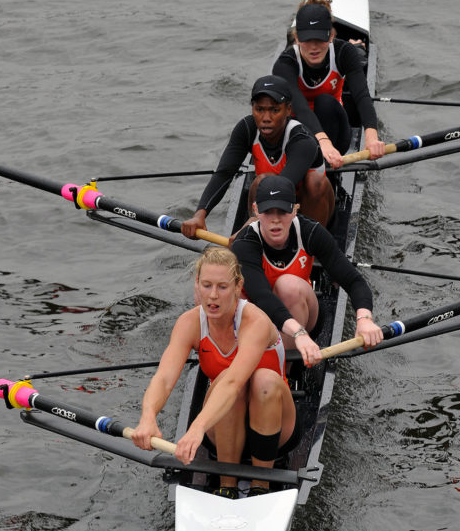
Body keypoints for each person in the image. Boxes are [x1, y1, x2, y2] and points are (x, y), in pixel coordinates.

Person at [130, 247, 308, 498]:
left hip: (275, 428)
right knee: (226, 386)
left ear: (238, 287)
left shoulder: (254, 321)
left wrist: (196, 428)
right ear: (197, 285)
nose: (213, 296)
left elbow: (235, 381)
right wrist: (147, 418)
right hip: (224, 429)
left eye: (222, 287)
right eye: (206, 285)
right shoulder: (189, 323)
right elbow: (165, 378)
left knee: (260, 379)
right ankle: (227, 487)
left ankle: (261, 486)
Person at [231, 174, 384, 357]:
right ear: (256, 210)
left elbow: (354, 281)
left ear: (295, 210)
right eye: (268, 212)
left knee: (288, 286)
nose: (275, 220)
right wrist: (297, 332)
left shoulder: (310, 231)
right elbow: (262, 297)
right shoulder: (245, 242)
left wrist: (364, 319)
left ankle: (285, 369)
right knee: (221, 287)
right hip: (263, 313)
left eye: (282, 211)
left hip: (302, 314)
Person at [181, 74, 336, 236]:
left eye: (274, 110)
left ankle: (309, 242)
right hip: (269, 210)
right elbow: (224, 173)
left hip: (308, 209)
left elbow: (280, 187)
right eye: (259, 109)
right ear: (253, 109)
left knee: (315, 181)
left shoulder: (302, 140)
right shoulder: (246, 129)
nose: (266, 118)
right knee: (261, 181)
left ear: (288, 110)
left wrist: (247, 226)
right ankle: (259, 239)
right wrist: (200, 214)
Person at [272, 0, 386, 169]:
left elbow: (362, 96)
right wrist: (322, 141)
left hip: (336, 131)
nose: (314, 47)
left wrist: (371, 136)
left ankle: (329, 172)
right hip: (302, 130)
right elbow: (300, 107)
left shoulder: (344, 53)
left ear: (331, 36)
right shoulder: (285, 64)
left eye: (319, 39)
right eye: (307, 39)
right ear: (296, 39)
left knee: (324, 101)